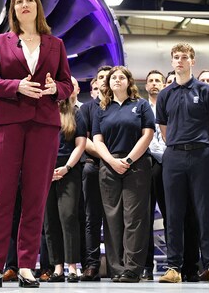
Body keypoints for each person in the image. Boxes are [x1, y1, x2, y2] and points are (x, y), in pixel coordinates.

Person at [0, 0, 73, 288]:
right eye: (18, 1)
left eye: (29, 0)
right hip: (7, 125)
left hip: (44, 126)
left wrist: (54, 90)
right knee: (1, 196)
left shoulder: (55, 44)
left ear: (37, 7)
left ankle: (26, 267)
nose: (24, 4)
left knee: (35, 198)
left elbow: (66, 85)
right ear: (13, 10)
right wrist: (16, 86)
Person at [156, 43, 209, 284]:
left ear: (192, 61)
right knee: (173, 213)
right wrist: (178, 145)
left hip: (201, 155)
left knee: (205, 212)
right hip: (174, 155)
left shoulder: (205, 91)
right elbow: (164, 130)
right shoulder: (165, 94)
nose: (179, 61)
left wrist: (205, 150)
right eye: (176, 57)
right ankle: (173, 267)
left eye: (184, 57)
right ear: (172, 61)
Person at [93, 66, 154, 283]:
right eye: (113, 78)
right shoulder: (102, 108)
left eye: (121, 77)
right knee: (112, 218)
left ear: (129, 82)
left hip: (136, 165)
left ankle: (132, 269)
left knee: (134, 218)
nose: (117, 80)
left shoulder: (141, 105)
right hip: (109, 165)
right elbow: (97, 140)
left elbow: (148, 134)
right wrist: (111, 161)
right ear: (108, 83)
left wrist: (128, 160)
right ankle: (116, 268)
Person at [44, 96, 86, 283]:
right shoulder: (43, 111)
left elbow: (81, 144)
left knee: (68, 216)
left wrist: (66, 167)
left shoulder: (76, 113)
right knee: (49, 219)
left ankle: (72, 266)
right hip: (44, 171)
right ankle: (58, 267)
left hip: (69, 170)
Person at [79, 65, 111, 282]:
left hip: (117, 167)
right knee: (92, 219)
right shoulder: (87, 109)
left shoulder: (121, 106)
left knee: (115, 220)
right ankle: (91, 264)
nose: (104, 80)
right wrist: (105, 155)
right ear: (95, 84)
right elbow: (84, 139)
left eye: (108, 77)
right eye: (100, 77)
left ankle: (116, 264)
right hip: (93, 165)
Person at [141, 70, 167, 280]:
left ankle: (177, 264)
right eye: (150, 81)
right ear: (146, 86)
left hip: (170, 164)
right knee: (146, 217)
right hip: (147, 164)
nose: (154, 84)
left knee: (172, 216)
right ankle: (147, 266)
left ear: (165, 84)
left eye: (158, 80)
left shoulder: (170, 105)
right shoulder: (140, 108)